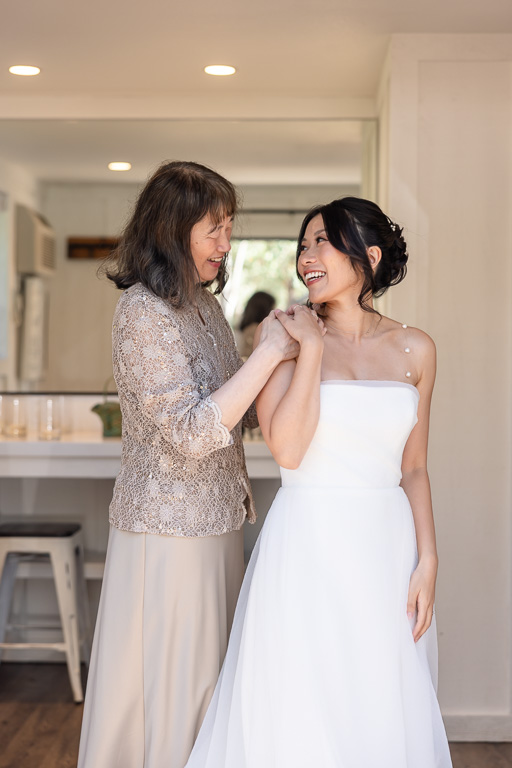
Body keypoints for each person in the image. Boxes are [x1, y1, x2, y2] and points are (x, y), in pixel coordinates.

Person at [185, 197, 453, 767]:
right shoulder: (279, 335)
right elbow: (288, 448)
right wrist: (309, 349)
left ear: (369, 257)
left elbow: (414, 467)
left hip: (386, 545)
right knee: (302, 696)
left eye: (322, 242)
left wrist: (428, 559)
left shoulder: (417, 349)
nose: (306, 257)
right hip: (307, 540)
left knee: (377, 693)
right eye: (303, 245)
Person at [77, 161, 299, 768]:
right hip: (167, 531)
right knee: (168, 692)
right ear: (173, 229)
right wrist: (268, 355)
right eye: (215, 228)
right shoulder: (142, 312)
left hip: (219, 521)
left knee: (209, 687)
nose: (226, 243)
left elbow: (236, 415)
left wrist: (282, 361)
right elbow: (189, 431)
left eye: (229, 227)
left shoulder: (203, 307)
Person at [237, 291, 276, 358]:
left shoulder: (244, 329)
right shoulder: (257, 329)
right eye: (272, 308)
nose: (274, 311)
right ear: (264, 309)